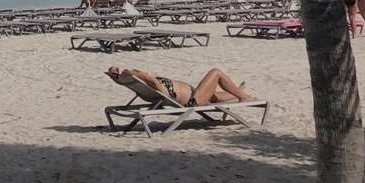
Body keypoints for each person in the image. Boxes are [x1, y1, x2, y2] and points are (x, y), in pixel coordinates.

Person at [105, 66, 256, 107]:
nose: (146, 73)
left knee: (214, 95)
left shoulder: (150, 88)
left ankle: (237, 91)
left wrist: (118, 73)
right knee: (216, 72)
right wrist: (134, 72)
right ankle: (243, 97)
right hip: (193, 100)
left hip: (194, 94)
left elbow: (146, 78)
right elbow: (149, 78)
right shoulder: (157, 86)